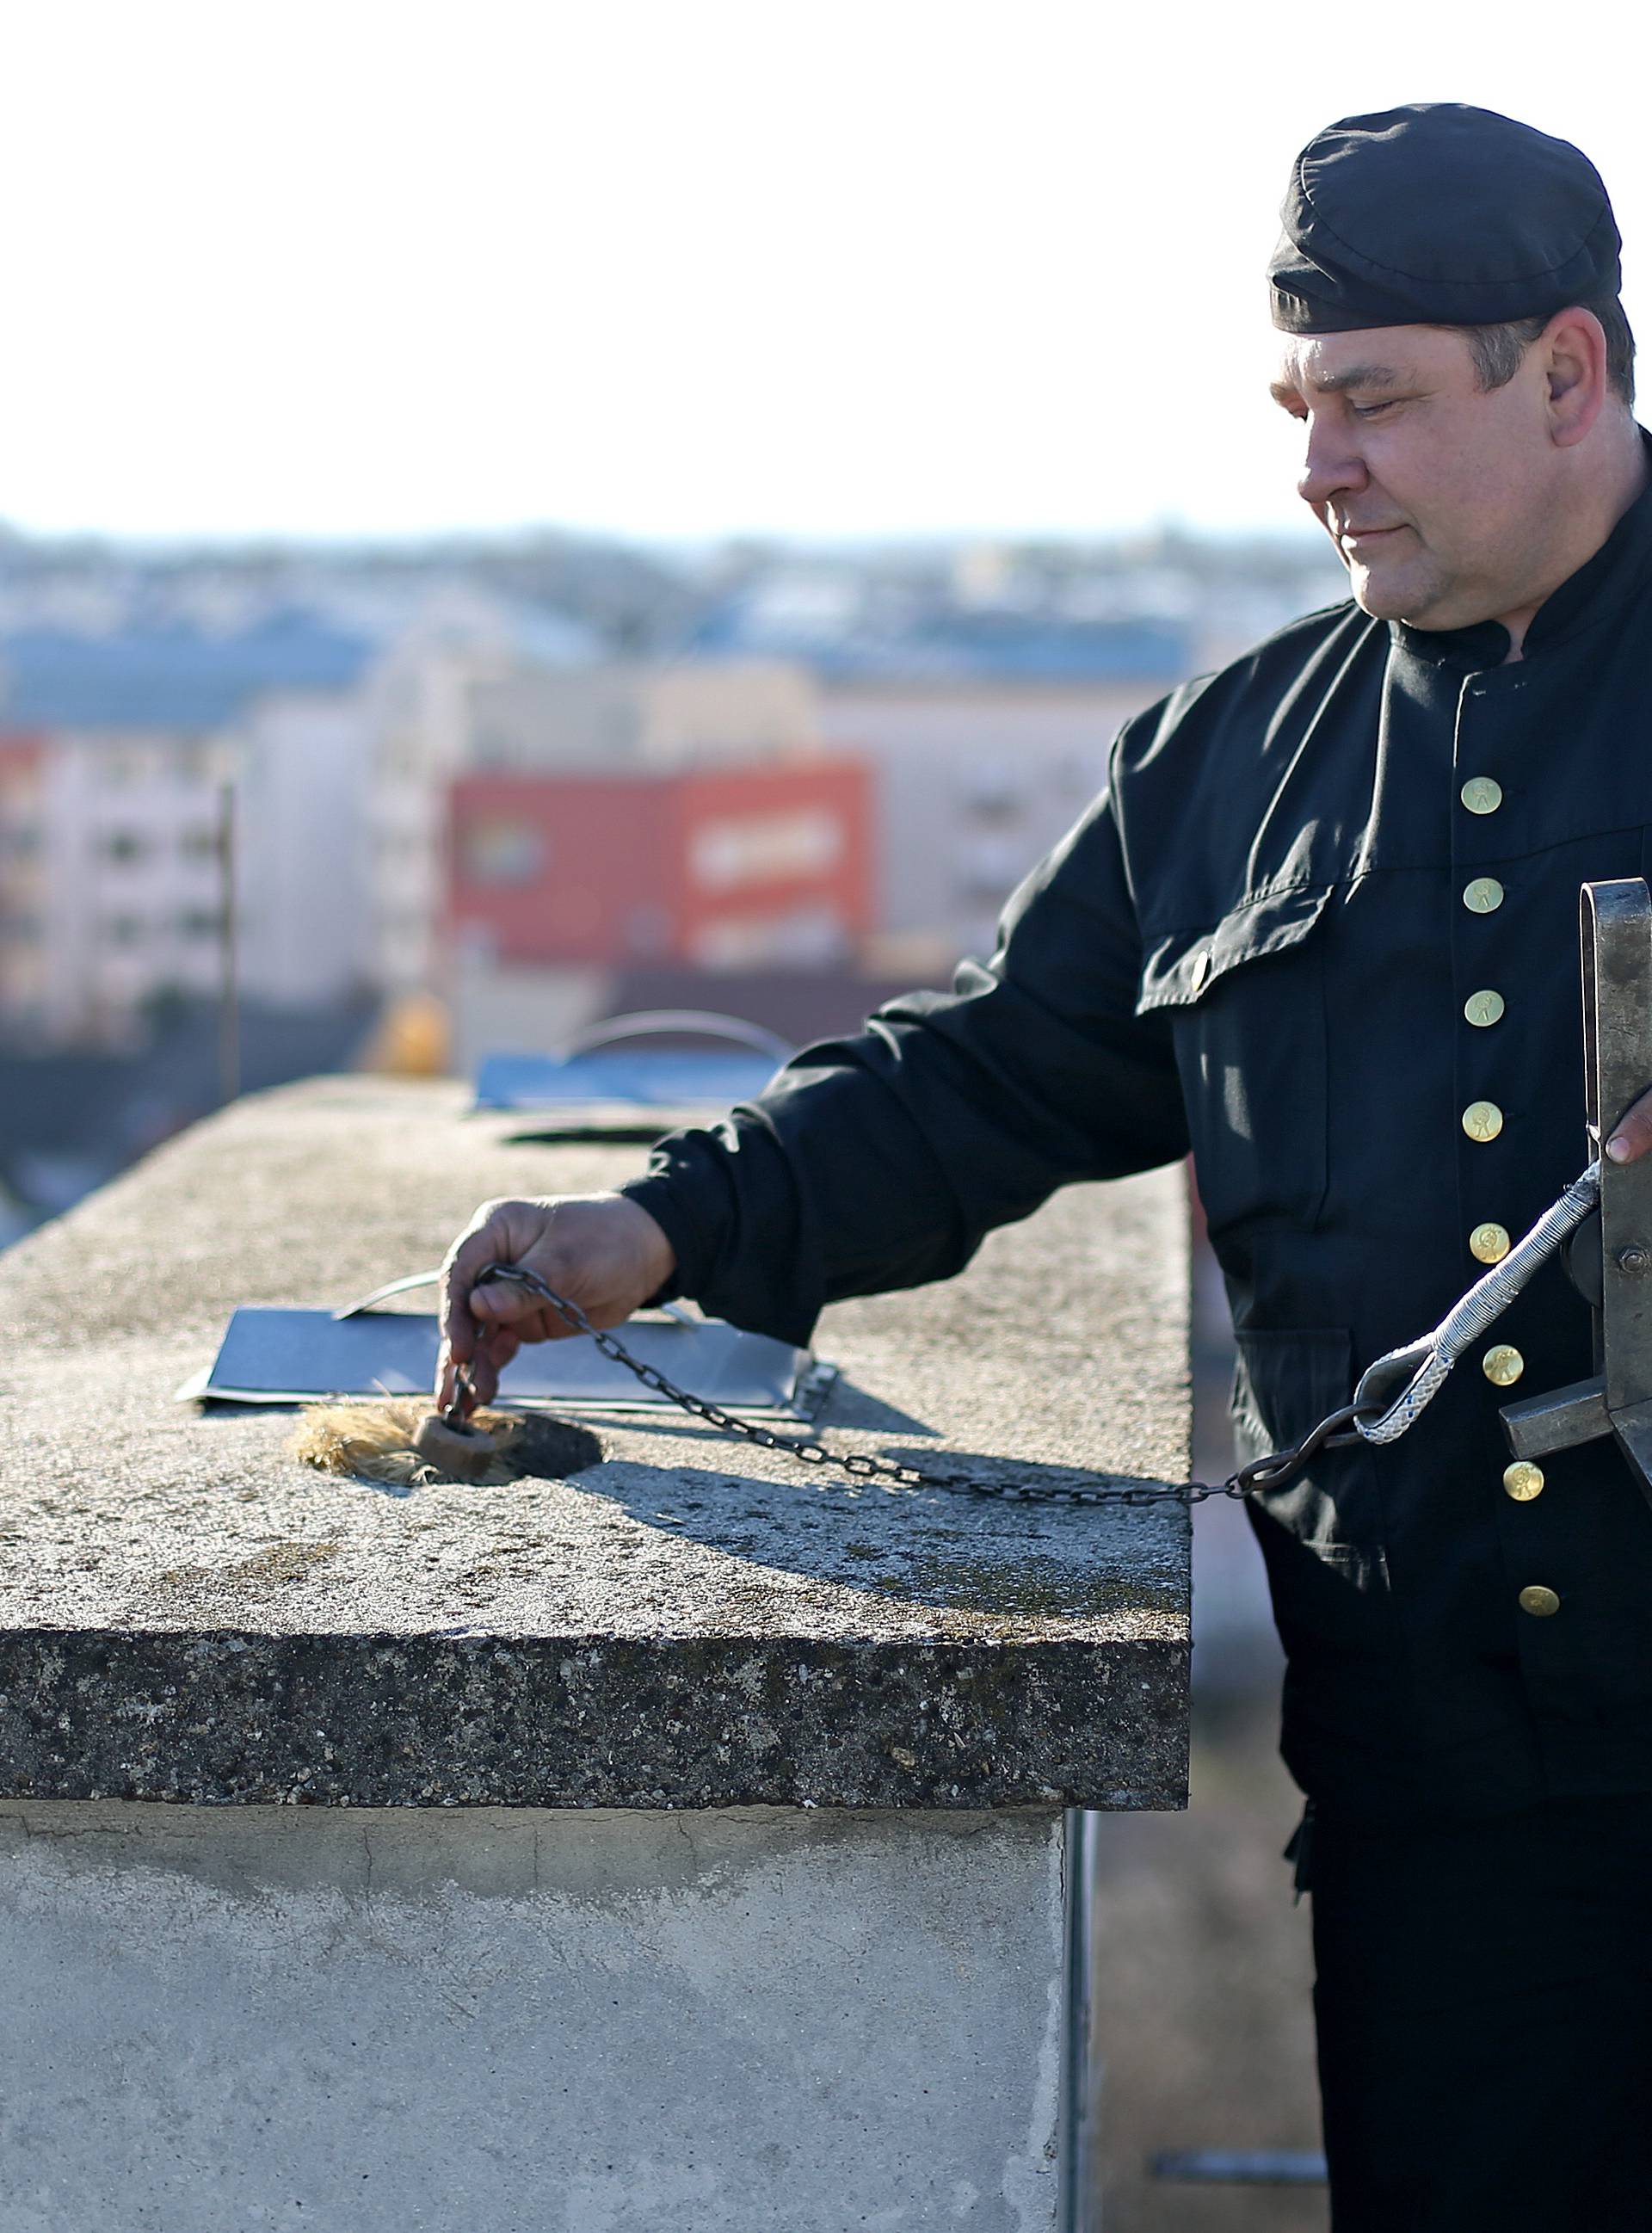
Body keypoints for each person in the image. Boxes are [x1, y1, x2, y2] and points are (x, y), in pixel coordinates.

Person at [438, 104, 1652, 2230]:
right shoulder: (1224, 767)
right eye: (1298, 406)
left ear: (1565, 369)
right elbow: (984, 1074)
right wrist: (661, 1223)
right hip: (1447, 1813)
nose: (1315, 467)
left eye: (1372, 401)